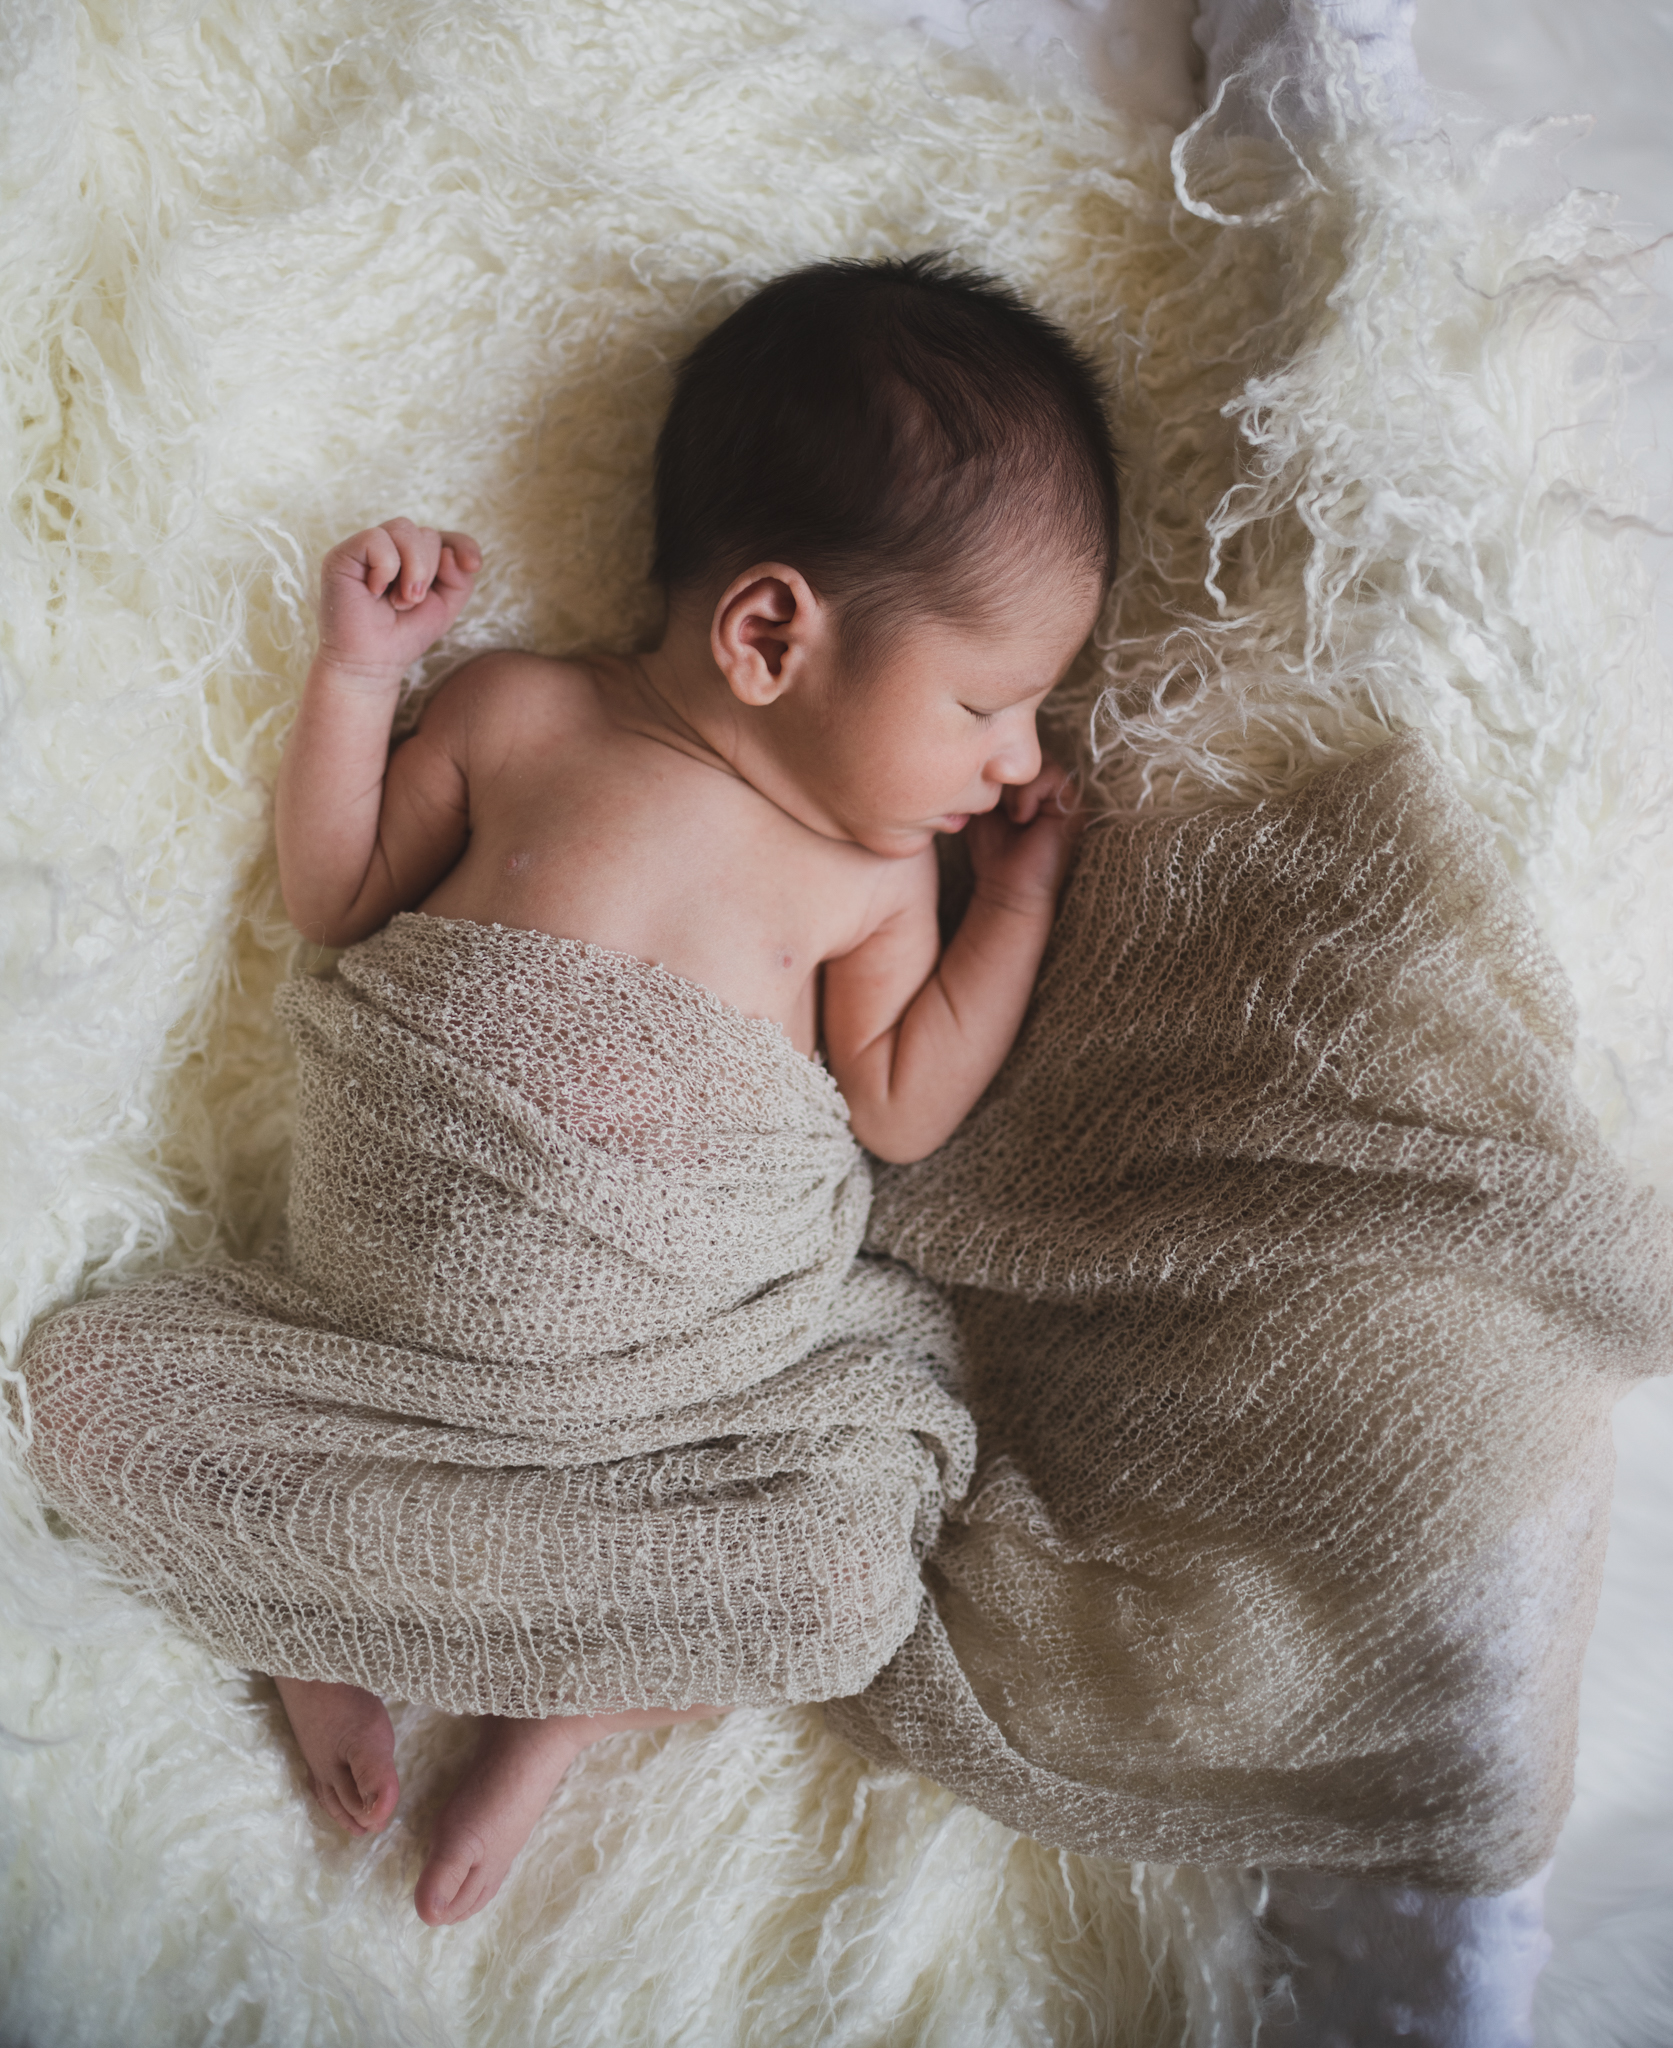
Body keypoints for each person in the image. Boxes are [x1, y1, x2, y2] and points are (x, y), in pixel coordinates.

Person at [24, 254, 1117, 1926]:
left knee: (845, 1581)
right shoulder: (520, 713)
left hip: (665, 1409)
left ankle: (555, 1705)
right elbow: (333, 896)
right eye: (986, 701)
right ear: (769, 632)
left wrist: (1018, 901)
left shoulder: (871, 880)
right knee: (78, 1391)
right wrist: (358, 677)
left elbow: (896, 1105)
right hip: (369, 1369)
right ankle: (315, 1621)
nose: (1019, 760)